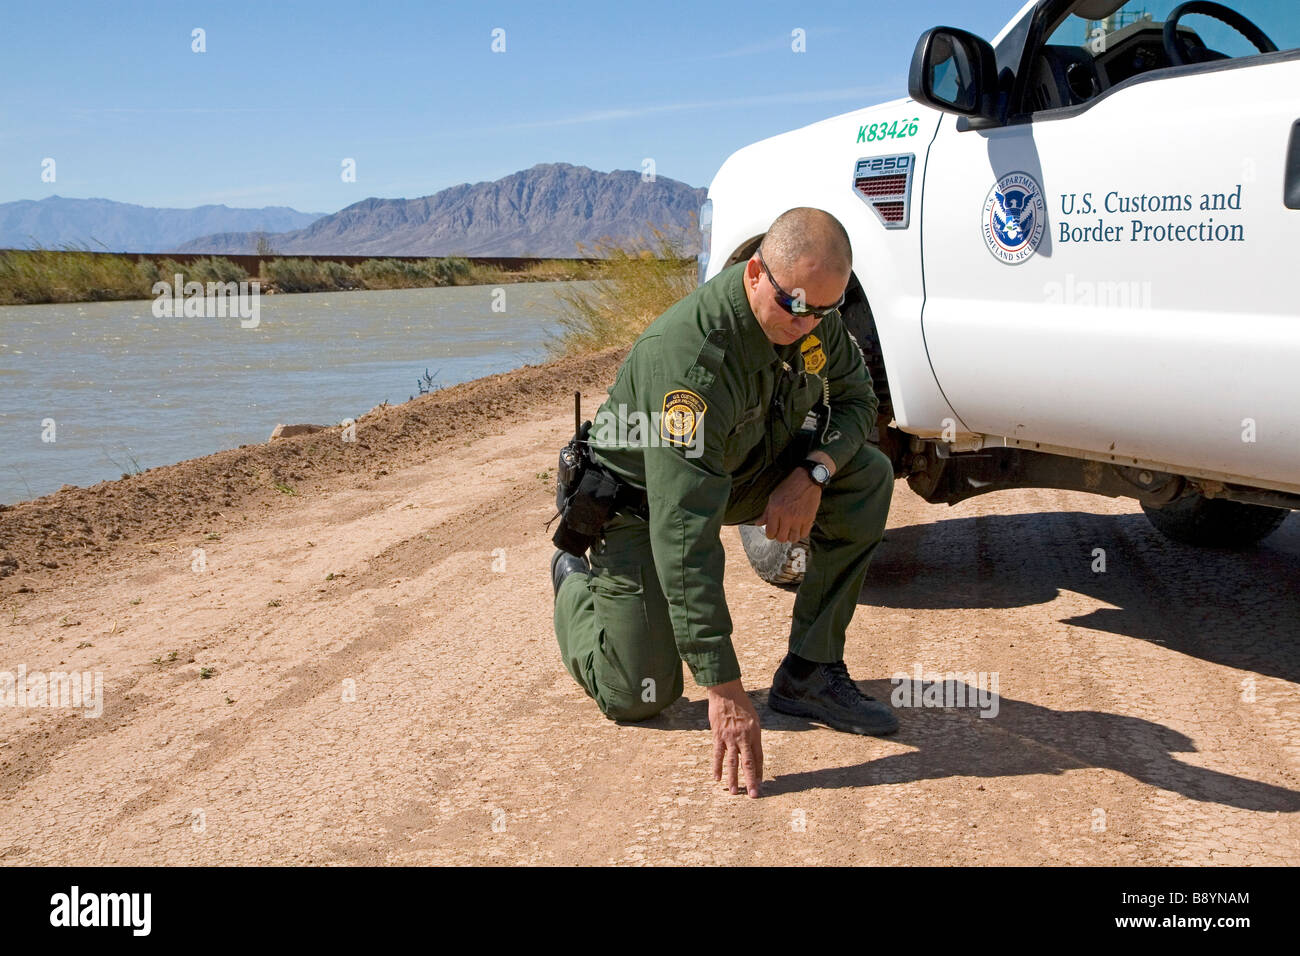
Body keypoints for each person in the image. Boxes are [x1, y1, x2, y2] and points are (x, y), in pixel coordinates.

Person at [551, 207, 895, 798]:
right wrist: (725, 688)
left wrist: (812, 473)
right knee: (640, 696)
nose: (809, 324)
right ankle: (574, 584)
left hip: (740, 468)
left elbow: (859, 401)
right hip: (641, 507)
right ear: (757, 273)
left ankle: (809, 672)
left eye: (825, 310)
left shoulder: (810, 311)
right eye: (797, 307)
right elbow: (685, 534)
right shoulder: (691, 361)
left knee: (865, 476)